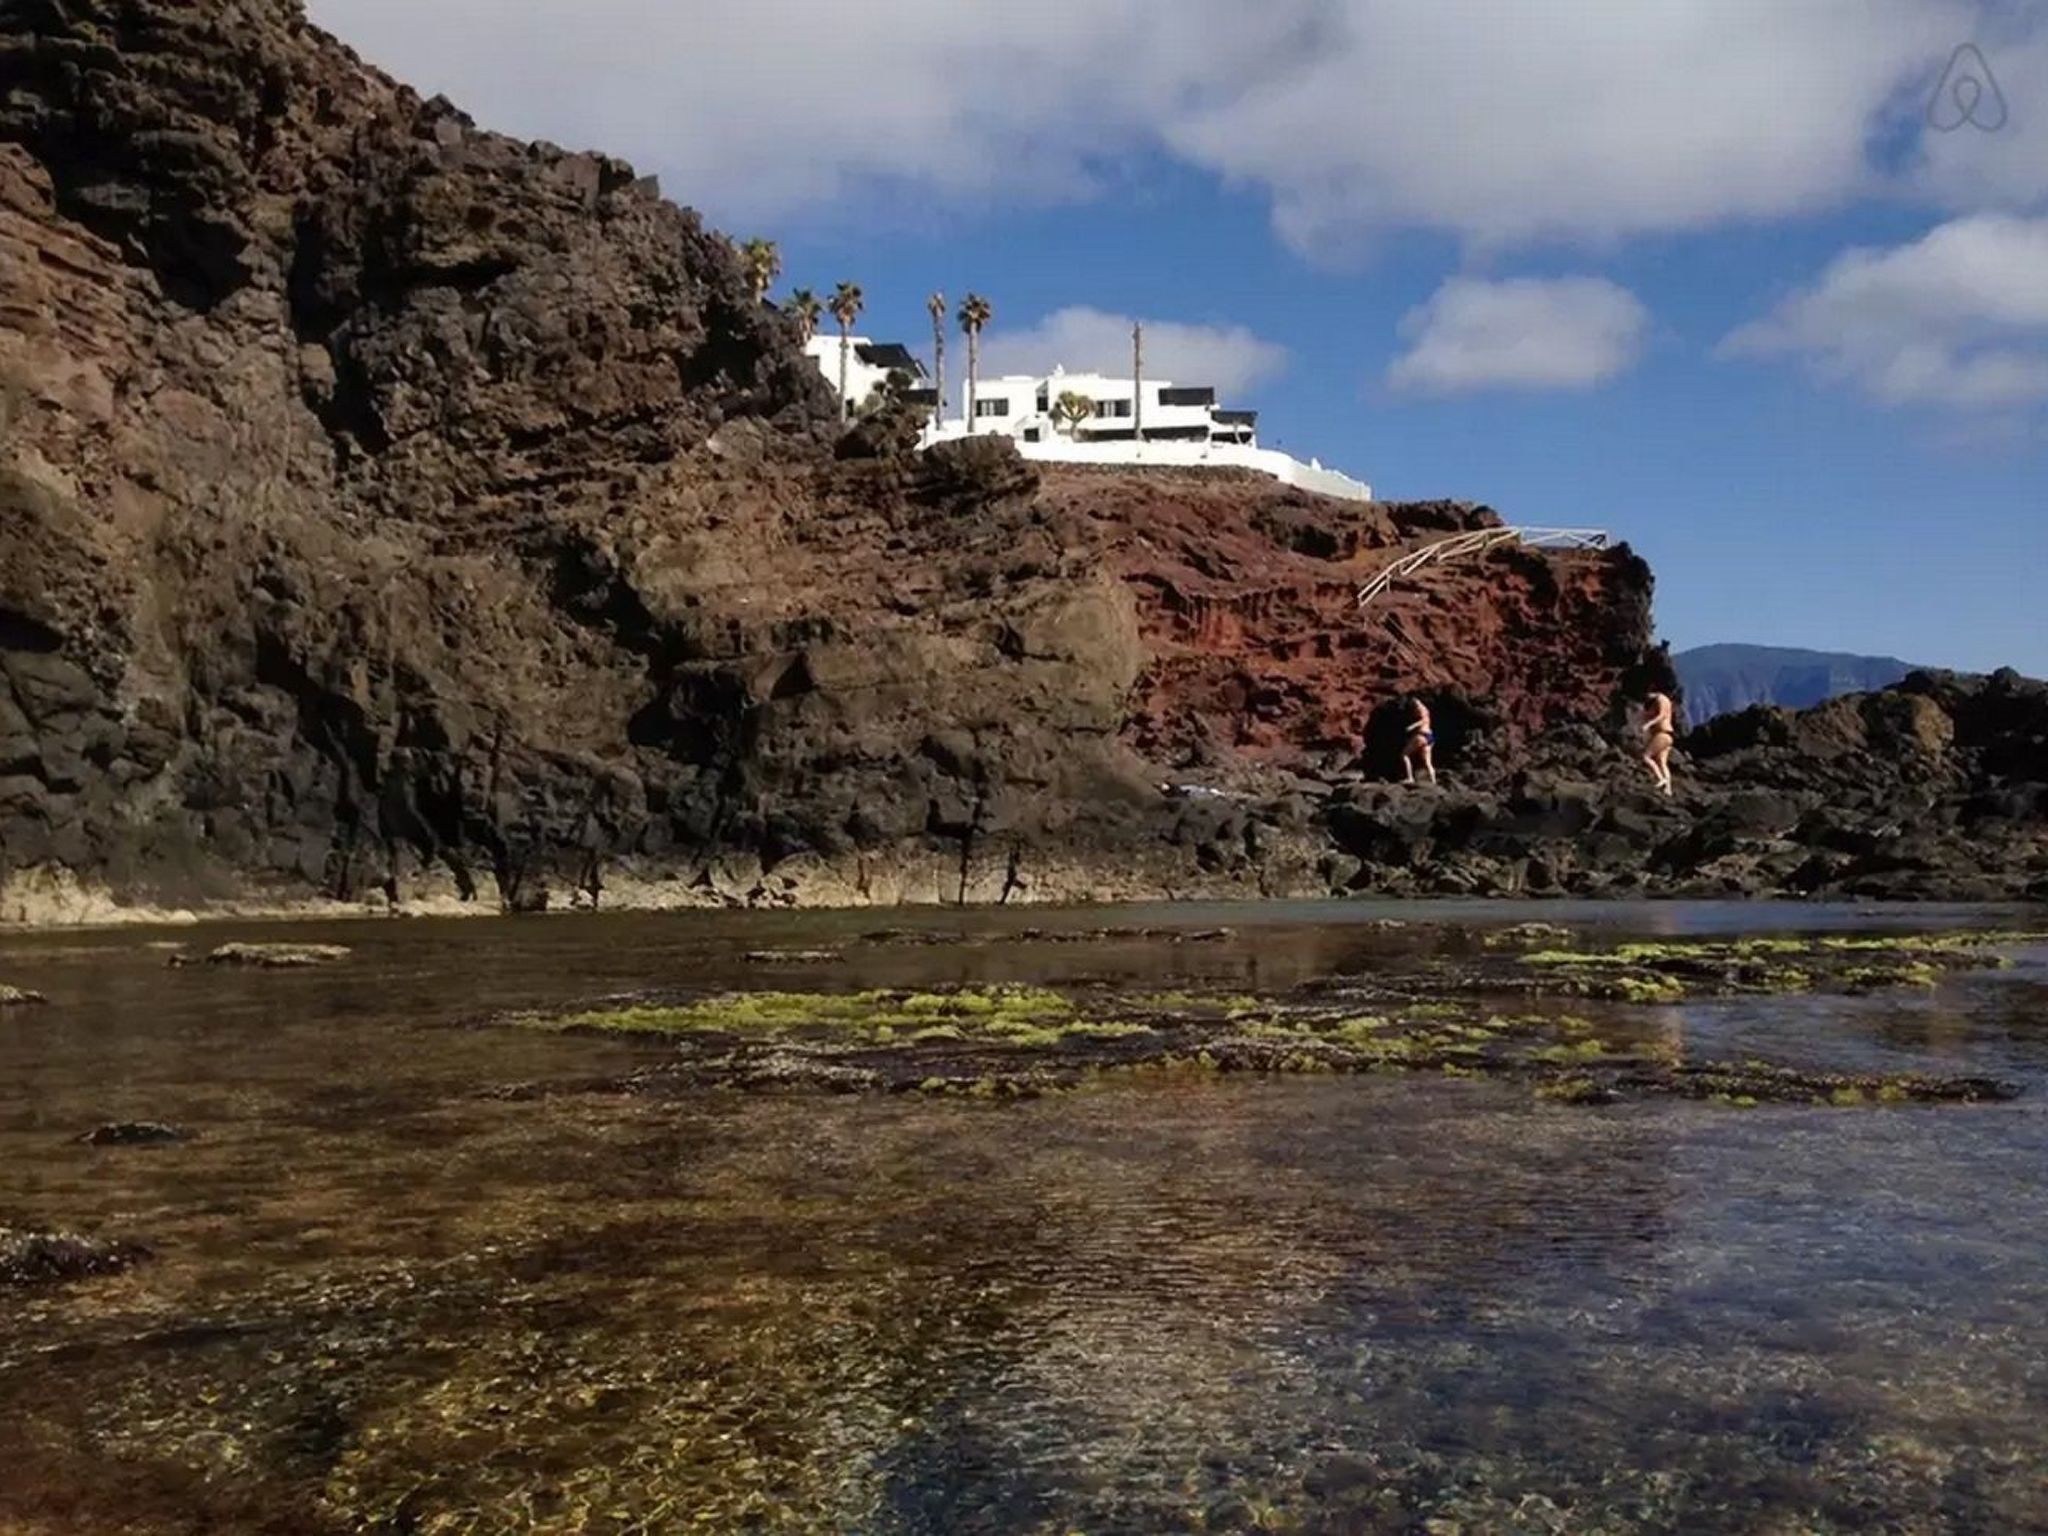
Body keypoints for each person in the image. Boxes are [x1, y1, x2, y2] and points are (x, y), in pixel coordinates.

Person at [1640, 687, 1676, 796]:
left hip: (1663, 733)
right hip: (1667, 735)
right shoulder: (1661, 701)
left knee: (1646, 757)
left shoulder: (1661, 699)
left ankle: (1660, 779)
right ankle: (1668, 789)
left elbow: (1662, 715)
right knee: (1662, 762)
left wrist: (1648, 724)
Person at [1401, 696, 1437, 786]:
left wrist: (1412, 726)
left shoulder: (1421, 709)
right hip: (1429, 737)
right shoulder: (1425, 709)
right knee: (1427, 762)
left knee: (1404, 755)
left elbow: (1423, 720)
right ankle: (1433, 781)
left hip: (1421, 735)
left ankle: (1410, 778)